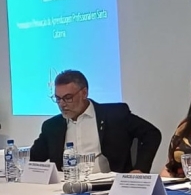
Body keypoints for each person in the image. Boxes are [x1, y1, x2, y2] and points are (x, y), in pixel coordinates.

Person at [30, 70, 161, 173]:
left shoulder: (115, 115)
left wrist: (140, 169)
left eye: (68, 98)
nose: (62, 104)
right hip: (65, 188)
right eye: (58, 99)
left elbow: (152, 134)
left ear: (84, 93)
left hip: (107, 186)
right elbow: (34, 159)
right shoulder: (52, 126)